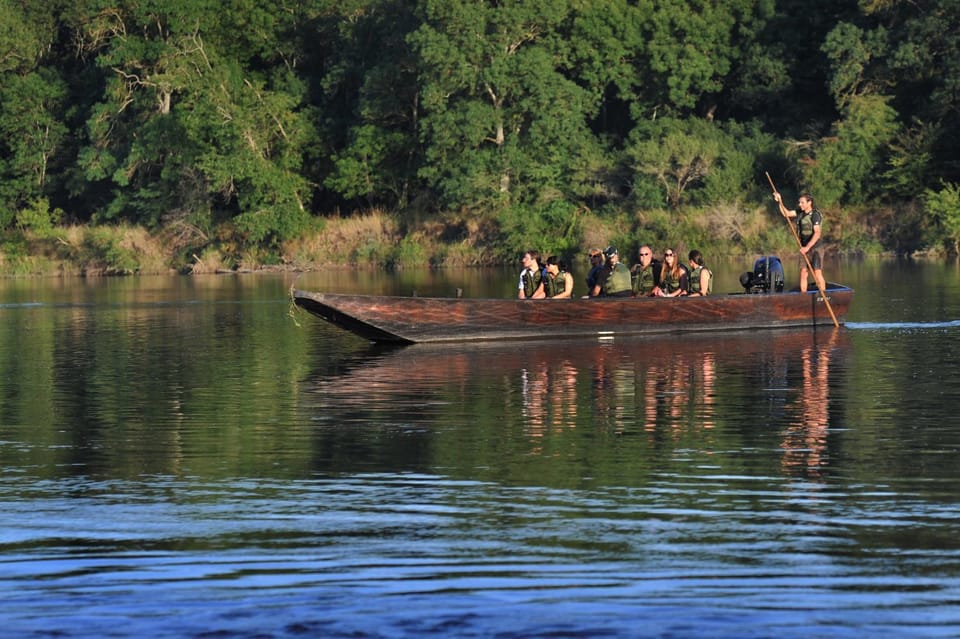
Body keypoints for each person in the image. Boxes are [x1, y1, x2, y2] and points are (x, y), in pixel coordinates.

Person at [773, 191, 826, 293]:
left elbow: (817, 233)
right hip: (804, 248)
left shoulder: (815, 215)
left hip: (815, 247)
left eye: (802, 202)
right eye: (799, 202)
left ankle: (823, 294)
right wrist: (780, 201)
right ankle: (803, 295)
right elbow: (786, 214)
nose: (800, 204)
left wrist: (808, 247)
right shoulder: (800, 212)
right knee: (803, 272)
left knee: (817, 272)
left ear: (809, 202)